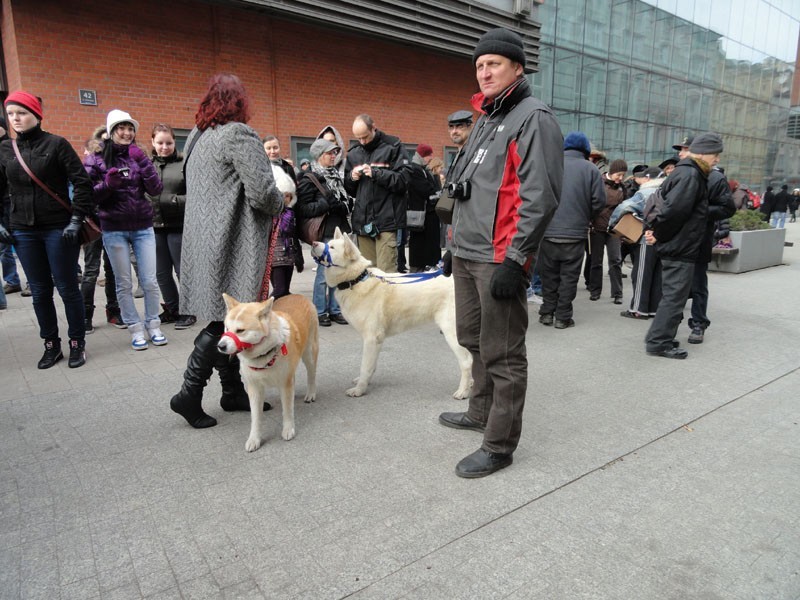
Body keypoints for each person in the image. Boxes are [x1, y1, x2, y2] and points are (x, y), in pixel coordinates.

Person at [438, 28, 563, 478]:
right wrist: (453, 245)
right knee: (472, 338)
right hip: (469, 251)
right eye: (478, 65)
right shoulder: (488, 119)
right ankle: (479, 412)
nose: (484, 71)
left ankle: (499, 444)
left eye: (493, 63)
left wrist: (517, 259)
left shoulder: (534, 118)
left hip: (499, 258)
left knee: (503, 353)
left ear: (516, 67)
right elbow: (466, 191)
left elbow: (541, 196)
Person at [170, 73, 285, 429]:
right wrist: (283, 201)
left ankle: (232, 391)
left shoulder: (196, 136)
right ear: (240, 103)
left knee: (225, 320)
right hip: (233, 241)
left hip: (202, 241)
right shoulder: (239, 134)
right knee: (228, 321)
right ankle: (188, 395)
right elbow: (263, 193)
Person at [0, 91, 93, 368]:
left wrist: (77, 219)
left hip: (58, 228)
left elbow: (82, 183)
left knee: (67, 288)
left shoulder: (57, 144)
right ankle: (51, 345)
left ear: (36, 115)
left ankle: (77, 342)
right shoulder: (5, 150)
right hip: (23, 231)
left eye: (22, 112)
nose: (16, 118)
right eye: (11, 113)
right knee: (40, 291)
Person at [84, 109, 166, 351]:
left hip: (143, 227)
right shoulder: (96, 158)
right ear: (111, 131)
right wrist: (107, 186)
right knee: (123, 283)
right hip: (113, 228)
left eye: (131, 128)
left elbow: (155, 189)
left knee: (150, 281)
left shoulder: (137, 156)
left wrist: (142, 161)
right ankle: (135, 328)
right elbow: (88, 195)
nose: (127, 132)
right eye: (121, 128)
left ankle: (153, 324)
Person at [644, 132, 723, 359]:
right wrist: (659, 235)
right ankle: (660, 342)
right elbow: (673, 213)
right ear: (704, 153)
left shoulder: (687, 172)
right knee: (674, 298)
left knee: (672, 296)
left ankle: (660, 338)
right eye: (715, 155)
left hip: (677, 245)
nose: (716, 160)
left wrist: (658, 234)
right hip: (680, 247)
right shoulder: (691, 175)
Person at [537, 131, 605, 329]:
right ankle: (562, 317)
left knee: (549, 276)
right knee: (569, 277)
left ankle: (547, 313)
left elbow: (537, 195)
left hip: (548, 231)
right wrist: (586, 216)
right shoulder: (591, 170)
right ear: (585, 150)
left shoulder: (550, 165)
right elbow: (598, 201)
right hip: (575, 233)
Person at [295, 137, 352, 326]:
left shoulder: (336, 175)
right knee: (323, 273)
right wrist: (325, 204)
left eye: (335, 152)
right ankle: (320, 311)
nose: (334, 156)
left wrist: (344, 205)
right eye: (330, 153)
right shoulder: (309, 177)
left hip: (339, 228)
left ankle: (335, 310)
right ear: (319, 155)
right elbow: (302, 209)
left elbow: (343, 203)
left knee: (338, 271)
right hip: (324, 231)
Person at [345, 114, 409, 273]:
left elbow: (404, 181)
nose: (362, 142)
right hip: (362, 222)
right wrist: (352, 178)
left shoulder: (393, 146)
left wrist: (376, 174)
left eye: (365, 137)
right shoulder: (353, 153)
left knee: (387, 275)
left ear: (374, 127)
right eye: (358, 138)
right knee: (368, 275)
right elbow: (349, 190)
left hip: (387, 222)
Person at [147, 123, 196, 330]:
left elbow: (194, 195)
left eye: (168, 143)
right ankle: (173, 308)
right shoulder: (146, 164)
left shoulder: (184, 163)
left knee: (182, 270)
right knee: (161, 272)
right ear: (152, 142)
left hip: (178, 225)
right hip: (154, 226)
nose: (164, 147)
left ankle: (189, 310)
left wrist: (172, 200)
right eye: (160, 143)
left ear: (175, 142)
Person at [80, 127, 125, 333]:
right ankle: (86, 315)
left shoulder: (119, 162)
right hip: (93, 223)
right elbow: (84, 194)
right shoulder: (89, 164)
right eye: (104, 140)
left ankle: (113, 312)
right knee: (91, 271)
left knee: (113, 271)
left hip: (114, 223)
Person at [686, 164, 735, 344]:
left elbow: (726, 209)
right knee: (673, 286)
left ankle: (699, 323)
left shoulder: (714, 178)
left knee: (698, 285)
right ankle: (670, 323)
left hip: (699, 242)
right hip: (676, 244)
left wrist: (700, 210)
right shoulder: (681, 174)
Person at [611, 167, 664, 319]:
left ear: (648, 178)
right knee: (657, 275)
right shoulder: (667, 192)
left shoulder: (645, 193)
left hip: (645, 238)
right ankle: (653, 309)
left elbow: (624, 207)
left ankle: (638, 309)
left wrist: (613, 225)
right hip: (662, 238)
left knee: (641, 274)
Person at [264, 135, 302, 297]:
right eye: (269, 148)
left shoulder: (287, 167)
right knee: (279, 288)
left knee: (285, 288)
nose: (273, 151)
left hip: (288, 222)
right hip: (271, 224)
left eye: (275, 147)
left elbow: (295, 193)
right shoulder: (261, 168)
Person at [588, 159, 627, 304]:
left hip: (614, 229)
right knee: (596, 261)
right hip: (597, 228)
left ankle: (618, 293)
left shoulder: (623, 188)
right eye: (619, 174)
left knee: (615, 260)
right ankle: (595, 291)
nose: (621, 178)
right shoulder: (598, 183)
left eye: (623, 175)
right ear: (611, 172)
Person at [407, 143, 441, 272]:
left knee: (425, 242)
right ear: (422, 156)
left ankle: (425, 264)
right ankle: (418, 267)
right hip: (420, 214)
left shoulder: (423, 170)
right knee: (419, 242)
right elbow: (426, 190)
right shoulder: (416, 170)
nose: (431, 159)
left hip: (425, 213)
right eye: (429, 156)